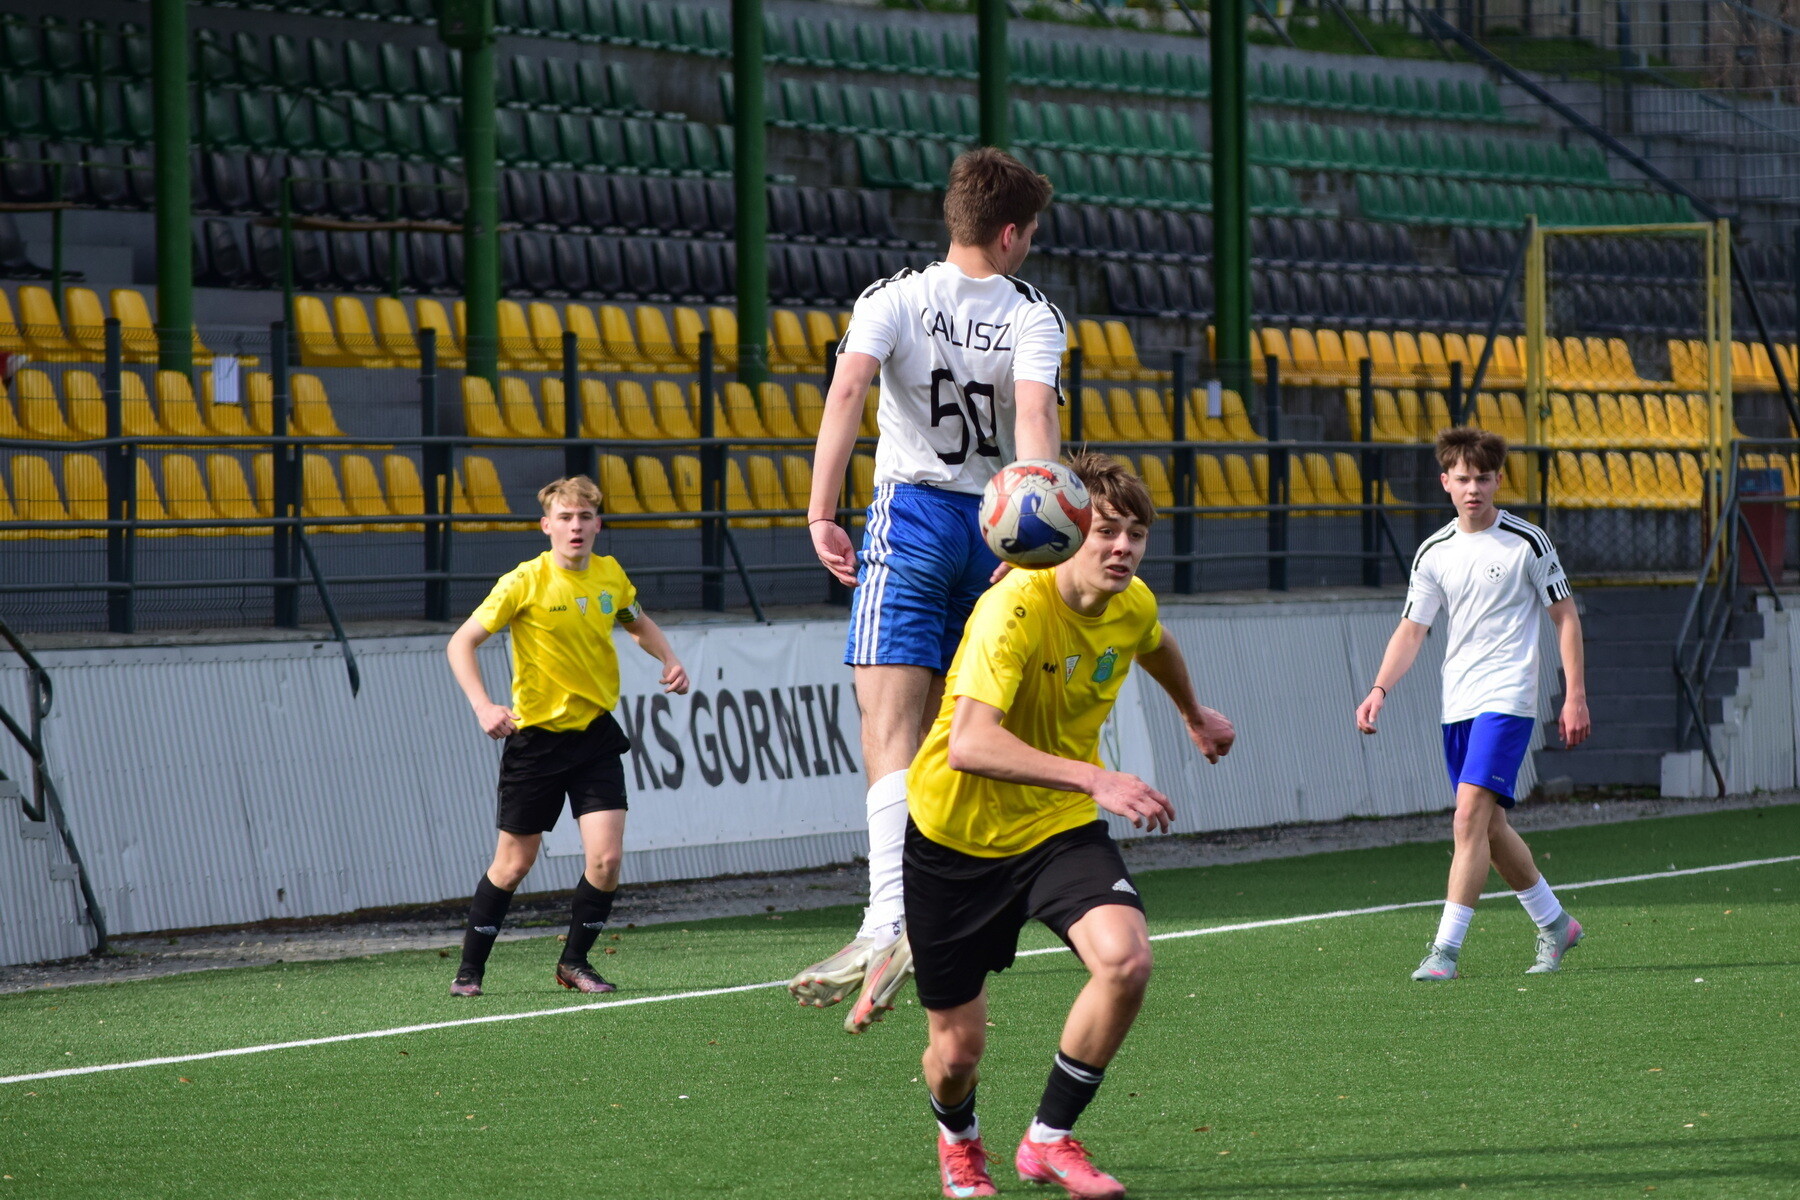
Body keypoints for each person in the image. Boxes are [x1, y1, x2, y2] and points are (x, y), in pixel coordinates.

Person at [906, 453, 1236, 1199]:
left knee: (1126, 961)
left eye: (1136, 535)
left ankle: (1049, 1139)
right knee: (956, 1056)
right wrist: (1098, 777)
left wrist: (1193, 714)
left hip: (1055, 826)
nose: (1123, 548)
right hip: (954, 836)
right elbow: (970, 744)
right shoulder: (1012, 609)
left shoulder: (1132, 602)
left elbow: (1154, 641)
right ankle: (960, 1142)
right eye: (1107, 531)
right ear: (1068, 531)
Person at [791, 147, 1068, 1034]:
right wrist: (1030, 539)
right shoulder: (1034, 313)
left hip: (910, 517)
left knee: (890, 727)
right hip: (995, 527)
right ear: (1011, 233)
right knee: (963, 730)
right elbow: (1035, 418)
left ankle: (887, 915)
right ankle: (940, 908)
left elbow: (847, 392)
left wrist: (821, 511)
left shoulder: (893, 297)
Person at [1355, 428, 1591, 981]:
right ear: (1445, 482)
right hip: (1457, 702)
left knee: (1466, 818)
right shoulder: (1433, 551)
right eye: (1462, 479)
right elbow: (1412, 629)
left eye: (1483, 478)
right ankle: (1556, 924)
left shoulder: (1527, 541)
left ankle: (1445, 951)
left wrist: (1575, 694)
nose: (1473, 489)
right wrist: (1378, 688)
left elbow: (1565, 616)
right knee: (1488, 827)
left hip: (1508, 698)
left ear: (1498, 480)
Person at [444, 475, 689, 998]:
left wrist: (668, 658)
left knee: (606, 860)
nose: (575, 526)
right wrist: (484, 706)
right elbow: (461, 643)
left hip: (594, 738)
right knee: (514, 864)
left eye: (584, 517)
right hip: (536, 742)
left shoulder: (610, 575)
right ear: (546, 525)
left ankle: (574, 963)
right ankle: (469, 969)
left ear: (598, 524)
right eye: (565, 518)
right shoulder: (524, 581)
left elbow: (637, 622)